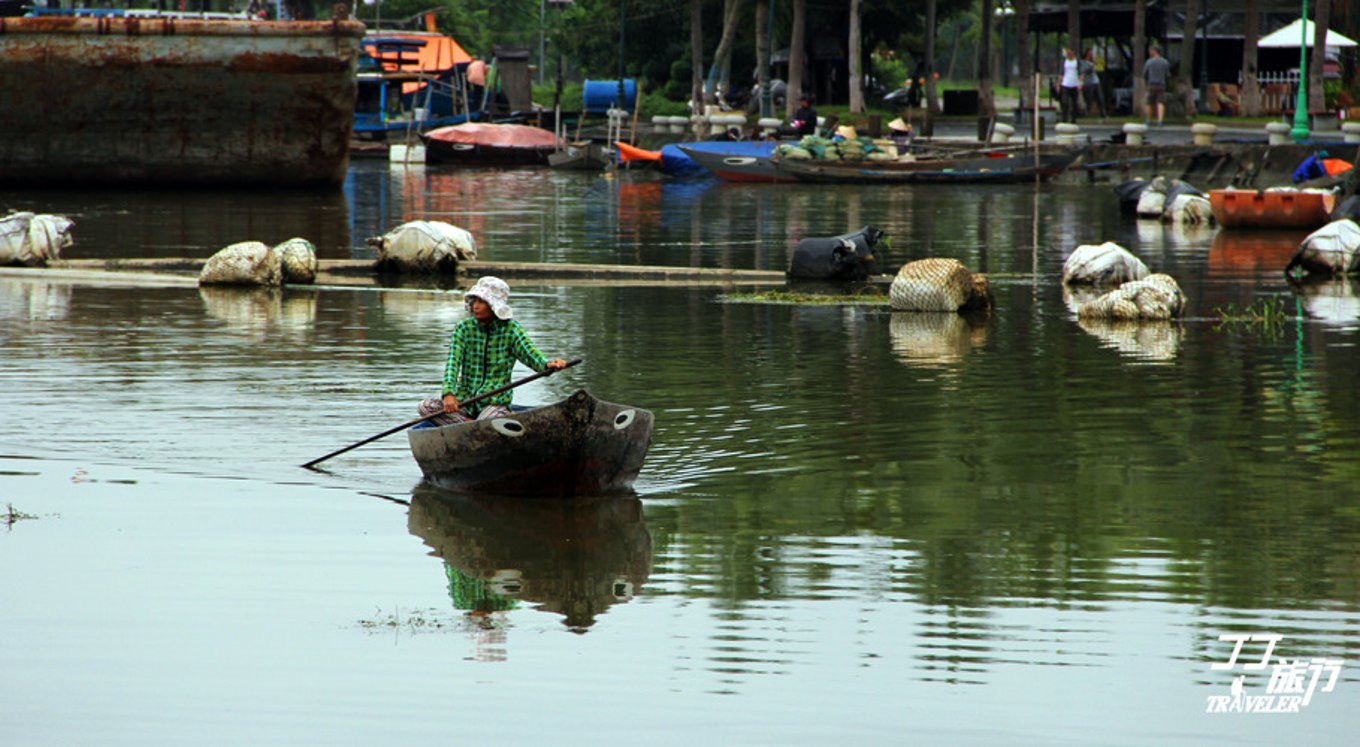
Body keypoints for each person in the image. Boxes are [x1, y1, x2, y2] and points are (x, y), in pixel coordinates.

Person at [418, 276, 567, 425]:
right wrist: (448, 393)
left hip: (494, 404)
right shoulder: (463, 328)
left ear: (494, 305)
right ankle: (469, 424)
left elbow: (531, 355)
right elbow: (453, 363)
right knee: (426, 407)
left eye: (482, 302)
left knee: (486, 420)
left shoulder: (511, 330)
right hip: (465, 402)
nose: (476, 306)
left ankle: (471, 425)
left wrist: (548, 364)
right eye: (474, 301)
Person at [1143, 45, 1170, 127]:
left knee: (1149, 102)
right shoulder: (1165, 62)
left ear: (1154, 51)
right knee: (1160, 102)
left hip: (1151, 84)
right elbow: (1167, 74)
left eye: (1151, 51)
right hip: (1161, 84)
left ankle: (1148, 120)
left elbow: (1144, 73)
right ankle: (1160, 121)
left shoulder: (1149, 62)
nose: (1150, 52)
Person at [1080, 49, 1107, 119]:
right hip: (1088, 83)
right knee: (1089, 98)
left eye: (1091, 54)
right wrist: (1092, 66)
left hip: (1096, 81)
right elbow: (1084, 70)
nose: (1090, 56)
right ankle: (1087, 112)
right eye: (1089, 54)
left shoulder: (1093, 62)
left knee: (1100, 97)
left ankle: (1103, 112)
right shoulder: (1083, 62)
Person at [1058, 47, 1082, 123]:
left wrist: (1080, 84)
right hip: (1066, 83)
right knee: (1065, 102)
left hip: (1074, 84)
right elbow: (1061, 73)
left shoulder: (1077, 61)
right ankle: (1064, 118)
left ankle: (1073, 119)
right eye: (1067, 53)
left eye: (1069, 53)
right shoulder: (1064, 61)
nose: (1068, 54)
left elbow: (1081, 74)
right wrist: (1058, 84)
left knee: (1074, 103)